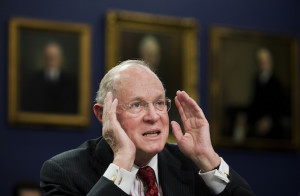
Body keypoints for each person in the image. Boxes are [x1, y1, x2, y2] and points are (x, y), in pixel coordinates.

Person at [40, 60, 254, 195]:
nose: (153, 116)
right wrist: (122, 162)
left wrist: (207, 158)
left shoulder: (192, 164)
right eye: (136, 105)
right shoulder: (63, 173)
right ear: (102, 114)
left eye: (160, 103)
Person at [21, 42, 78, 114]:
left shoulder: (70, 82)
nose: (51, 59)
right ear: (44, 58)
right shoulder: (34, 80)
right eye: (49, 57)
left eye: (54, 56)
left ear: (61, 58)